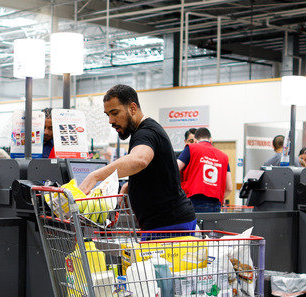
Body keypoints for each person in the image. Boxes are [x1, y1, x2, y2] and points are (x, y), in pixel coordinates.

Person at [79, 84, 195, 235]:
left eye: (115, 113)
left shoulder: (145, 133)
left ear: (132, 108)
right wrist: (131, 184)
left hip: (167, 225)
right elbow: (155, 170)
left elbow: (139, 160)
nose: (110, 120)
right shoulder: (145, 131)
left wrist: (95, 176)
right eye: (108, 115)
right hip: (166, 221)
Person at [177, 127, 233, 212]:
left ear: (195, 140)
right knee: (211, 225)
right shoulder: (224, 157)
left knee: (194, 225)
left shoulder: (191, 148)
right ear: (211, 139)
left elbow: (174, 169)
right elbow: (229, 187)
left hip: (193, 201)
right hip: (215, 204)